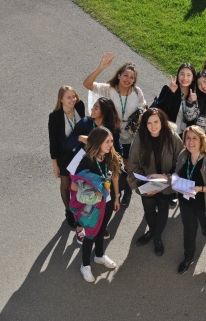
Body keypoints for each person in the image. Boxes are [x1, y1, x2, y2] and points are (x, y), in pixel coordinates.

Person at [83, 53, 147, 206]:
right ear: (119, 75)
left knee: (128, 165)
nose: (128, 79)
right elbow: (87, 84)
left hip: (131, 135)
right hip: (112, 135)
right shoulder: (108, 89)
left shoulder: (137, 92)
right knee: (113, 164)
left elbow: (143, 107)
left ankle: (128, 192)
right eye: (125, 75)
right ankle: (112, 192)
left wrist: (140, 116)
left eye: (132, 77)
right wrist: (100, 68)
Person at [127, 108, 184, 256]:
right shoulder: (140, 138)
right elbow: (132, 164)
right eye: (149, 123)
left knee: (163, 208)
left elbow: (181, 160)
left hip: (166, 182)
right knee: (149, 210)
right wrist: (142, 186)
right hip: (147, 183)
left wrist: (167, 177)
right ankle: (152, 232)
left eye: (156, 122)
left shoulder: (172, 136)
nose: (153, 126)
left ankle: (157, 238)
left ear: (162, 121)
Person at [65, 97, 122, 243]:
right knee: (81, 196)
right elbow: (69, 143)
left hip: (102, 165)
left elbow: (118, 148)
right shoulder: (85, 123)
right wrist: (81, 138)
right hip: (84, 164)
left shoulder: (112, 128)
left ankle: (98, 224)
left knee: (99, 198)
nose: (92, 109)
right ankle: (79, 228)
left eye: (96, 107)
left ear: (104, 112)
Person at [69, 127, 121, 283]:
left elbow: (115, 178)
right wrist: (92, 192)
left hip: (108, 202)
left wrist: (116, 197)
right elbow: (73, 186)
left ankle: (99, 256)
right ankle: (85, 265)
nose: (110, 144)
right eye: (107, 141)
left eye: (111, 141)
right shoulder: (86, 160)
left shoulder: (110, 157)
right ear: (97, 142)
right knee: (90, 234)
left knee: (101, 230)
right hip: (93, 206)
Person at [174, 126, 206, 278]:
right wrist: (166, 179)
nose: (190, 142)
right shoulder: (183, 156)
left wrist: (200, 189)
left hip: (205, 206)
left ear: (202, 140)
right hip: (186, 203)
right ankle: (188, 258)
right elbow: (176, 175)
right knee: (189, 231)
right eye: (188, 138)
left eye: (194, 138)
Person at [156, 63, 198, 208]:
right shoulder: (168, 88)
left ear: (193, 78)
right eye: (182, 74)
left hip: (186, 135)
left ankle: (175, 193)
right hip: (170, 134)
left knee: (180, 164)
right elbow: (158, 110)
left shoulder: (195, 94)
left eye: (188, 75)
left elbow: (195, 120)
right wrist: (170, 93)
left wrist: (193, 102)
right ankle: (163, 192)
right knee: (167, 163)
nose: (184, 78)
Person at [48, 86, 85, 228]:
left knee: (80, 181)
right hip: (64, 155)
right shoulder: (55, 116)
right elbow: (53, 142)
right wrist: (55, 165)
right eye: (68, 97)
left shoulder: (79, 107)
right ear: (61, 99)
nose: (72, 100)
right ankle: (69, 210)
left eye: (74, 96)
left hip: (81, 152)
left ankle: (80, 208)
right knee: (65, 184)